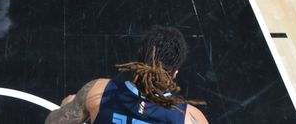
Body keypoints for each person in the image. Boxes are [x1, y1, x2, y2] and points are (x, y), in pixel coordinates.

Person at [45, 26, 207, 123]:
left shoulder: (97, 92)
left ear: (139, 58)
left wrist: (66, 106)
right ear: (174, 72)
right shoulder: (190, 119)